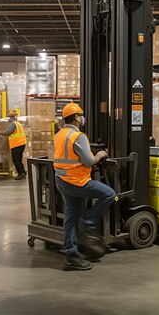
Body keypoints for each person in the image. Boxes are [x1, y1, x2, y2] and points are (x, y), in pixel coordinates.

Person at [53, 103, 116, 271]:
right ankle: (88, 223)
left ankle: (71, 255)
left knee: (70, 216)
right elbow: (89, 161)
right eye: (80, 115)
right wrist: (100, 154)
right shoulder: (78, 136)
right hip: (78, 182)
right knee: (110, 194)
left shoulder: (59, 134)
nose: (82, 118)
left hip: (61, 180)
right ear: (76, 118)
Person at [0, 110, 27, 180]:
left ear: (13, 117)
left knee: (16, 159)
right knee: (19, 159)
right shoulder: (18, 123)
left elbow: (8, 132)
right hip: (21, 143)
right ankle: (23, 172)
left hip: (17, 144)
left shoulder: (13, 124)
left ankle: (21, 174)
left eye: (9, 117)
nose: (8, 119)